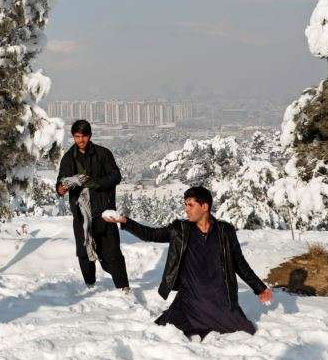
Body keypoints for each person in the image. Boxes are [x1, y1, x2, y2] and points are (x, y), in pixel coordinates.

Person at [105, 186, 273, 340]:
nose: (186, 210)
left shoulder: (225, 231)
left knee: (245, 330)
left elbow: (239, 263)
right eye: (185, 205)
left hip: (220, 297)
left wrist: (259, 287)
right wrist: (126, 222)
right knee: (168, 326)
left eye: (190, 205)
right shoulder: (180, 229)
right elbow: (152, 234)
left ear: (204, 207)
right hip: (191, 297)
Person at [56, 119, 130, 291]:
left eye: (83, 136)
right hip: (81, 214)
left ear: (90, 136)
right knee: (83, 252)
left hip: (104, 211)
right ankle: (90, 284)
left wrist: (96, 183)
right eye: (77, 136)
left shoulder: (103, 154)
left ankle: (123, 286)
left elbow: (115, 176)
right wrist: (63, 186)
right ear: (73, 137)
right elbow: (60, 186)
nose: (80, 140)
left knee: (112, 252)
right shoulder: (68, 158)